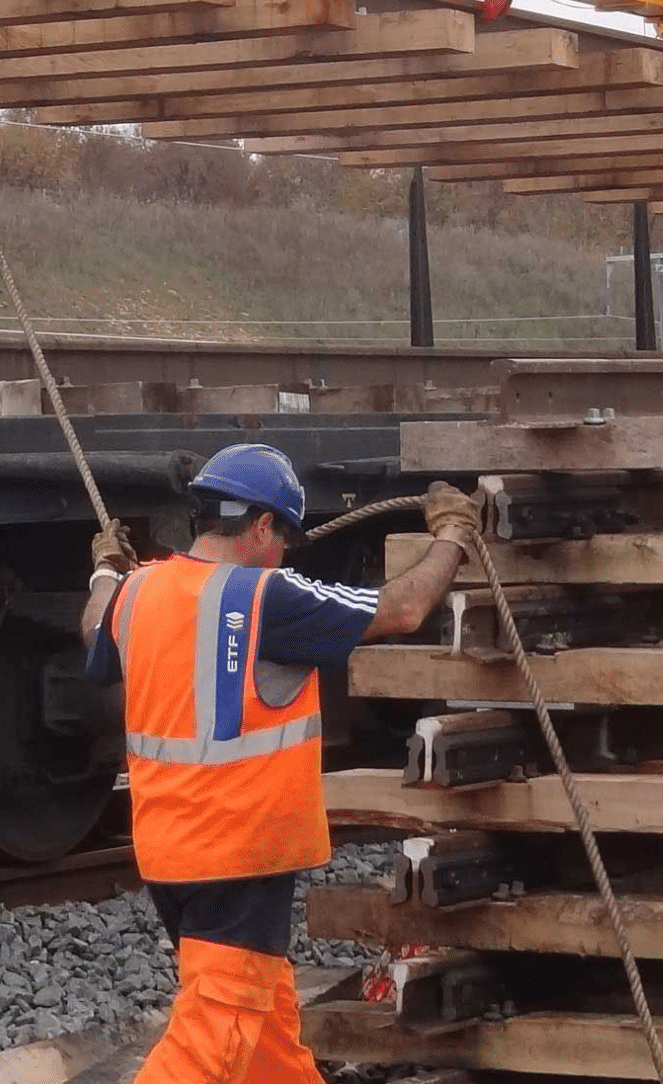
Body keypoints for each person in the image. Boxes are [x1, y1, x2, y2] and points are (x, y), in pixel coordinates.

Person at [80, 443, 476, 1084]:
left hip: (169, 854)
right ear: (262, 525)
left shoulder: (137, 591)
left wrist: (105, 568)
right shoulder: (266, 596)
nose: (284, 552)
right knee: (215, 1036)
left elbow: (95, 628)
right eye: (284, 537)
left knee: (267, 1037)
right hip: (239, 852)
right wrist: (452, 538)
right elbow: (403, 610)